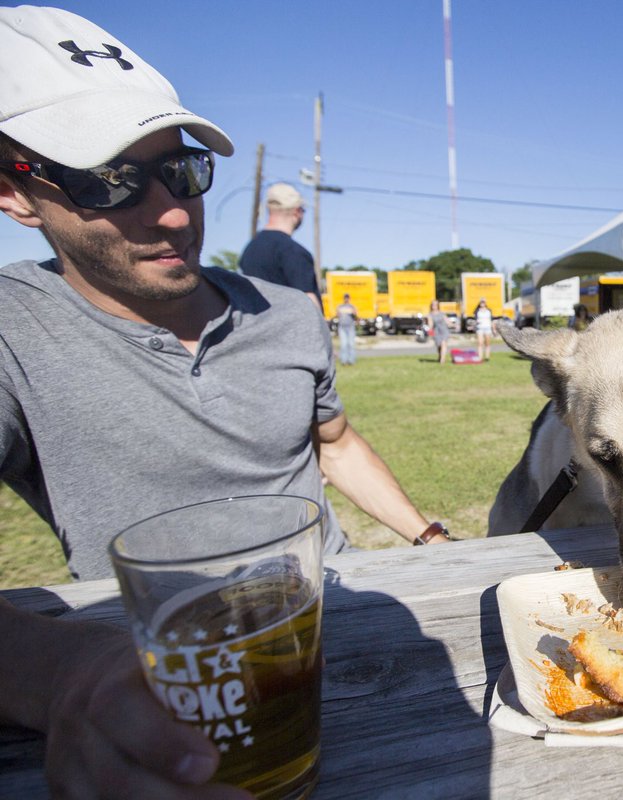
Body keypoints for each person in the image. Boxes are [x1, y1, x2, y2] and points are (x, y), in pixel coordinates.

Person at [0, 7, 449, 796]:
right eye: (111, 182)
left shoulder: (289, 312)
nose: (172, 212)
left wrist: (427, 533)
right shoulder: (12, 331)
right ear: (16, 192)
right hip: (154, 697)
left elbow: (332, 442)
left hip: (345, 633)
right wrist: (64, 673)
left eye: (182, 170)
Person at [238, 182, 319, 306]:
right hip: (289, 324)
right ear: (297, 212)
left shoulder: (250, 249)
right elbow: (308, 303)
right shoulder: (293, 252)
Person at [335, 293, 358, 365]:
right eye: (345, 298)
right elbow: (337, 315)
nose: (346, 299)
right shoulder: (340, 306)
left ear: (349, 299)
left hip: (350, 327)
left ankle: (351, 360)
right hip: (342, 327)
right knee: (343, 344)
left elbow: (357, 317)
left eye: (347, 298)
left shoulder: (352, 307)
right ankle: (344, 361)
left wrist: (353, 313)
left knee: (351, 344)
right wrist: (338, 313)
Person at [429, 299, 451, 364]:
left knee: (443, 344)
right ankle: (440, 356)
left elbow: (447, 321)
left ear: (438, 306)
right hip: (436, 331)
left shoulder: (442, 313)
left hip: (444, 330)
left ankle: (442, 360)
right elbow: (431, 324)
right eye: (433, 304)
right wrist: (430, 331)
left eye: (435, 304)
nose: (434, 306)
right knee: (439, 346)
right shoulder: (430, 315)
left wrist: (452, 324)